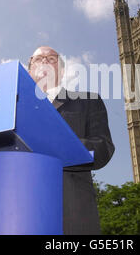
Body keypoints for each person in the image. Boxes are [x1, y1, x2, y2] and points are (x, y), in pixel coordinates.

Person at [27, 46, 115, 235]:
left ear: (62, 69)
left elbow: (103, 149)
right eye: (38, 59)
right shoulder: (13, 109)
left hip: (70, 214)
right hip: (17, 213)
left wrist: (57, 145)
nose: (45, 61)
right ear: (29, 69)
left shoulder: (88, 100)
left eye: (51, 58)